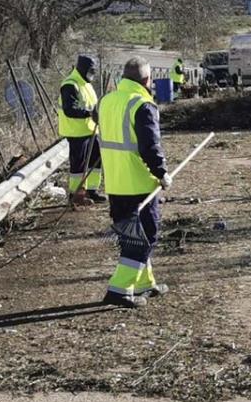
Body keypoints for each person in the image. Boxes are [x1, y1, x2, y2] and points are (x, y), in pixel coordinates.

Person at [97, 57, 171, 309]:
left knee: (133, 236)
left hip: (115, 183)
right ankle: (119, 289)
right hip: (139, 184)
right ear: (146, 80)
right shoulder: (142, 105)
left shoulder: (106, 102)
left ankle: (144, 283)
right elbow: (150, 146)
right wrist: (161, 173)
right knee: (144, 238)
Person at [58, 55, 104, 206]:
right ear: (83, 69)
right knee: (78, 166)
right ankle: (76, 195)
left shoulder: (86, 84)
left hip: (91, 131)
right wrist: (89, 113)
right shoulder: (70, 85)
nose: (92, 74)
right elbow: (69, 110)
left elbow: (92, 105)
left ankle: (92, 191)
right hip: (76, 133)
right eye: (91, 71)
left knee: (95, 162)